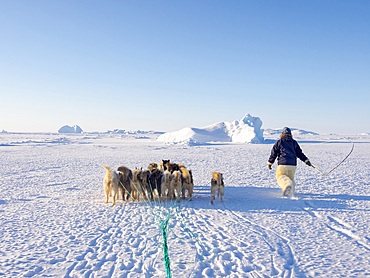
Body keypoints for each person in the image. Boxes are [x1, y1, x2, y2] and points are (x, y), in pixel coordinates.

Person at [268, 127, 312, 196]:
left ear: (282, 134)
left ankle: (287, 186)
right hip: (293, 165)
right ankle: (291, 192)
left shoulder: (280, 142)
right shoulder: (294, 142)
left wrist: (270, 163)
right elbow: (300, 153)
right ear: (290, 134)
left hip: (283, 164)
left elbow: (274, 153)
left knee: (280, 176)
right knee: (290, 178)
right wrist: (306, 161)